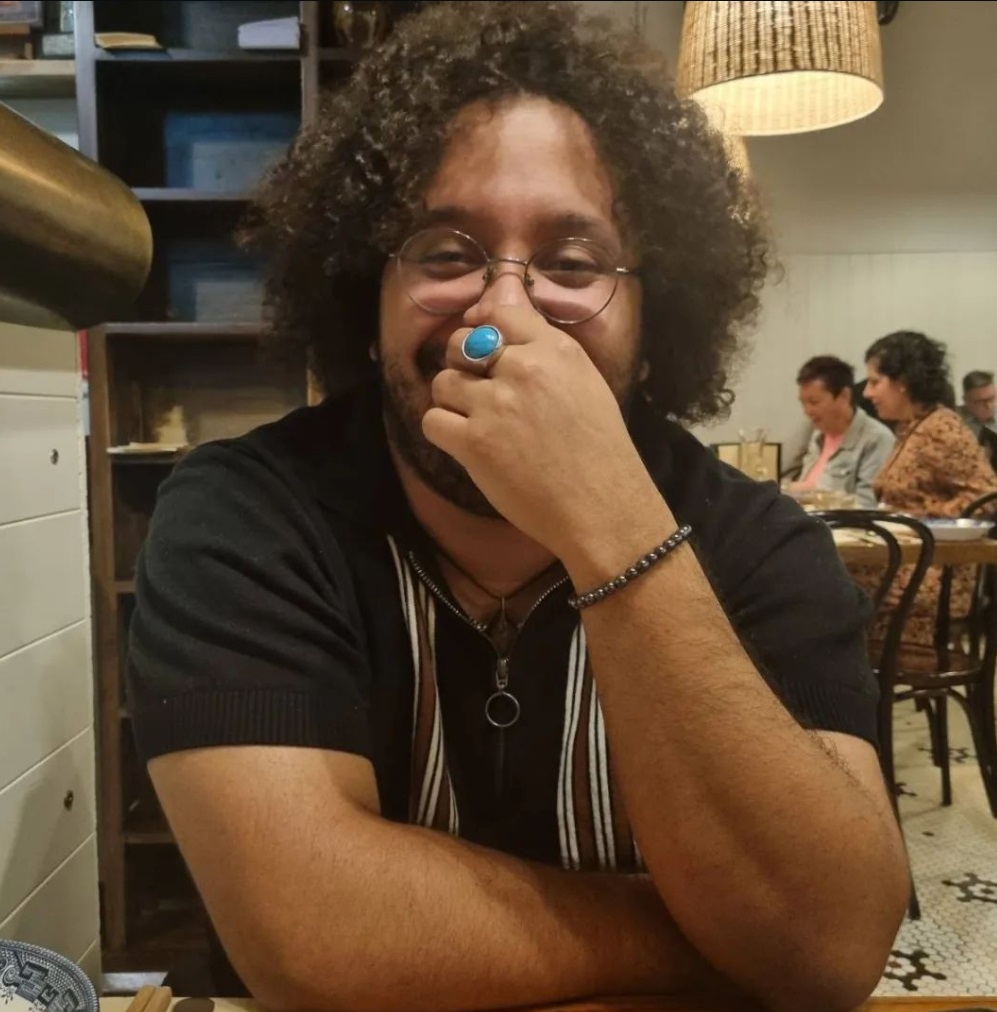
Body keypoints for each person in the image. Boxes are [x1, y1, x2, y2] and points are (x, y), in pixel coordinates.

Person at [128, 5, 909, 1011]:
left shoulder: (759, 544)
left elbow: (833, 944)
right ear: (367, 301)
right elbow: (308, 930)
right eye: (445, 253)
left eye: (572, 264)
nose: (501, 314)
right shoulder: (242, 517)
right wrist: (709, 936)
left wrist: (611, 527)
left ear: (654, 320)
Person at [863, 331, 997, 646]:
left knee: (829, 594)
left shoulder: (940, 428)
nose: (868, 393)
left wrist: (919, 520)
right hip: (912, 561)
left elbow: (986, 496)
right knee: (824, 582)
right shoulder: (911, 428)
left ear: (902, 382)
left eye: (874, 381)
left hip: (936, 575)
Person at [791, 355, 894, 507]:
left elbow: (867, 505)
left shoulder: (876, 439)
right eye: (803, 403)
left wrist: (812, 494)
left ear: (844, 396)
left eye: (814, 402)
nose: (807, 411)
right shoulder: (817, 434)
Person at [958, 369, 997, 466]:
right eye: (981, 401)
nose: (989, 406)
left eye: (992, 399)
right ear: (966, 400)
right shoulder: (955, 422)